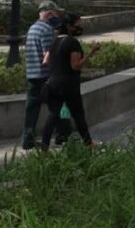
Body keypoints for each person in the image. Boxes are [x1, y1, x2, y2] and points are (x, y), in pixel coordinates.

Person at [40, 13, 100, 149]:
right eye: (77, 24)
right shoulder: (72, 42)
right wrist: (92, 52)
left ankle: (44, 148)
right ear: (69, 26)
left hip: (53, 83)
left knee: (53, 115)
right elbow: (76, 65)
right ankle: (88, 143)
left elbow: (46, 61)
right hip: (69, 84)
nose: (80, 27)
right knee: (78, 114)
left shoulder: (54, 41)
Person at [22, 1, 68, 150]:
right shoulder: (46, 29)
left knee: (32, 109)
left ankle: (27, 139)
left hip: (32, 74)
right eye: (56, 14)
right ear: (48, 13)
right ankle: (62, 136)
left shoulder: (33, 28)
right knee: (58, 106)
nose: (58, 17)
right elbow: (48, 55)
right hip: (45, 76)